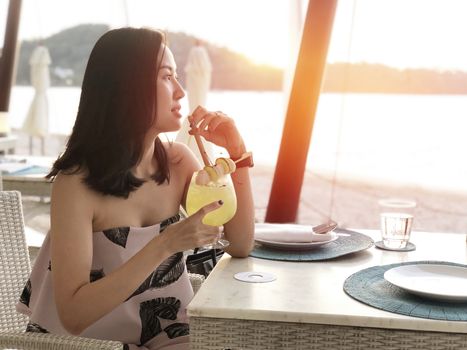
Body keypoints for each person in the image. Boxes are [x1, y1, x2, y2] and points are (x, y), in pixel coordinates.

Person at [16, 27, 254, 350]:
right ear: (128, 88)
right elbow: (73, 314)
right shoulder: (75, 186)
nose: (181, 92)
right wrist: (166, 243)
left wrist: (238, 155)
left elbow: (239, 243)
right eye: (167, 77)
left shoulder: (178, 163)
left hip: (168, 337)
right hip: (92, 343)